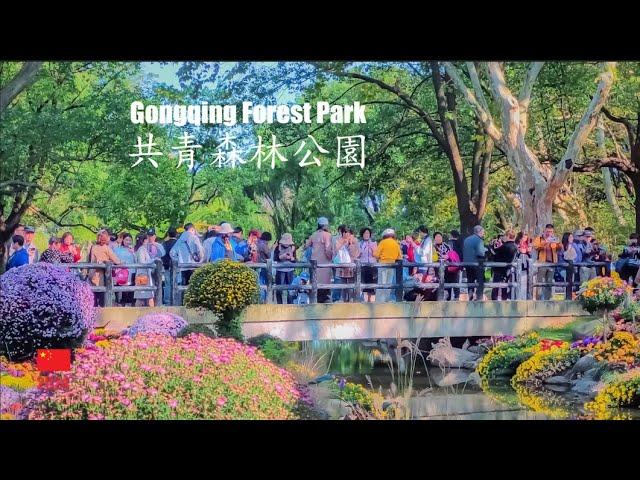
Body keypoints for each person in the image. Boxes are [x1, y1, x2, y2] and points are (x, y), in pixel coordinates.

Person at [87, 229, 121, 307]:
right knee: (102, 299)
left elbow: (87, 260)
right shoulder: (106, 248)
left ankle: (92, 315)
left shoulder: (92, 247)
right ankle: (101, 315)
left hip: (92, 275)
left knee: (93, 299)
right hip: (102, 276)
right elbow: (117, 260)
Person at [305, 217, 333, 303]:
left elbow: (306, 246)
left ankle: (315, 301)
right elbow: (328, 249)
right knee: (324, 284)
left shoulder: (313, 235)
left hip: (314, 263)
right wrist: (330, 257)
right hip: (324, 264)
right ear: (325, 225)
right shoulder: (327, 235)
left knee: (315, 283)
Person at [373, 228, 403, 302]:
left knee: (381, 283)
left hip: (382, 264)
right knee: (389, 284)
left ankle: (379, 301)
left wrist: (380, 257)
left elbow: (375, 254)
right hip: (392, 265)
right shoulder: (396, 243)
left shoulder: (383, 242)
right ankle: (386, 300)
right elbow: (400, 256)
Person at [533, 224, 560, 300]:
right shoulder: (539, 238)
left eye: (551, 231)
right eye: (548, 231)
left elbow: (560, 248)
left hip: (552, 263)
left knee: (549, 282)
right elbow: (536, 246)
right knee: (540, 282)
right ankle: (538, 300)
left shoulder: (554, 238)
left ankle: (548, 300)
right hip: (542, 263)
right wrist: (545, 242)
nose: (549, 233)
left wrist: (558, 243)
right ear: (545, 230)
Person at [489, 229, 518, 300]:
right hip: (507, 268)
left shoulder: (505, 246)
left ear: (508, 236)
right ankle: (504, 299)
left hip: (499, 269)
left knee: (496, 286)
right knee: (505, 285)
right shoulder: (515, 246)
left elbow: (495, 254)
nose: (504, 237)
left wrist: (491, 247)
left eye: (505, 235)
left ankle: (494, 300)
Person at [333, 227, 361, 302]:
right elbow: (335, 251)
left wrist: (351, 243)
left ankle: (352, 299)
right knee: (343, 284)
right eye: (344, 232)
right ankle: (344, 299)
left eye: (347, 232)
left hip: (351, 265)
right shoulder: (339, 240)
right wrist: (343, 242)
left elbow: (357, 253)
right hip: (342, 265)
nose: (346, 234)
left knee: (352, 283)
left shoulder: (354, 240)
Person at [463, 225, 487, 301]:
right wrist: (486, 250)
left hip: (467, 264)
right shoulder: (479, 240)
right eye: (483, 232)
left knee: (470, 280)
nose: (484, 234)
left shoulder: (466, 239)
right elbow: (480, 253)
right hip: (476, 264)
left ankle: (470, 296)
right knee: (481, 280)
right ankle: (479, 297)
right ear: (479, 232)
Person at [274, 233, 297, 304]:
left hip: (290, 270)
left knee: (290, 289)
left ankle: (290, 304)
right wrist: (282, 256)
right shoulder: (278, 248)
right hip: (280, 270)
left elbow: (295, 260)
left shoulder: (293, 248)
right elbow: (275, 258)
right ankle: (279, 304)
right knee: (279, 289)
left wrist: (291, 258)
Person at [113, 233, 136, 306]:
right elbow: (114, 259)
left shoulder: (133, 250)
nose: (128, 241)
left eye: (130, 240)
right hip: (120, 273)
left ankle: (130, 305)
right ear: (123, 240)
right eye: (126, 240)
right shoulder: (117, 249)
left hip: (131, 272)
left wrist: (133, 253)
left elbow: (137, 261)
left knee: (130, 290)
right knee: (120, 290)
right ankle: (119, 303)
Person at [134, 233, 155, 307]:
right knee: (142, 296)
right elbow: (142, 262)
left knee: (146, 295)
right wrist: (152, 260)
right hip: (143, 274)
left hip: (143, 274)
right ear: (144, 240)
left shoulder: (141, 249)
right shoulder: (141, 249)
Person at [358, 227, 378, 302]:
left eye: (368, 233)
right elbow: (358, 254)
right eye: (365, 233)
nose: (366, 235)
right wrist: (362, 248)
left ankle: (370, 300)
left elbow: (376, 255)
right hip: (363, 265)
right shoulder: (359, 243)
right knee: (363, 282)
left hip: (372, 265)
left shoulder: (374, 243)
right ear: (362, 234)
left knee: (371, 283)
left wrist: (372, 248)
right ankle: (363, 299)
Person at [161, 227, 179, 305]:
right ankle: (176, 300)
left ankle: (167, 300)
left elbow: (162, 255)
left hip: (166, 266)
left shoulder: (164, 243)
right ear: (176, 234)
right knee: (177, 283)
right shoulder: (178, 243)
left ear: (168, 234)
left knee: (167, 284)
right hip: (177, 266)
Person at [331, 225, 348, 302]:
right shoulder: (335, 239)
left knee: (344, 281)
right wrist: (343, 242)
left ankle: (343, 299)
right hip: (337, 262)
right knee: (338, 280)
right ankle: (335, 299)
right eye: (344, 232)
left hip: (345, 263)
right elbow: (336, 249)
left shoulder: (348, 239)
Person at [257, 231, 273, 301]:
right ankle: (264, 299)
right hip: (263, 265)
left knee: (260, 282)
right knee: (264, 283)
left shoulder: (257, 243)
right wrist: (272, 248)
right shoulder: (263, 245)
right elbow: (269, 255)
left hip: (258, 265)